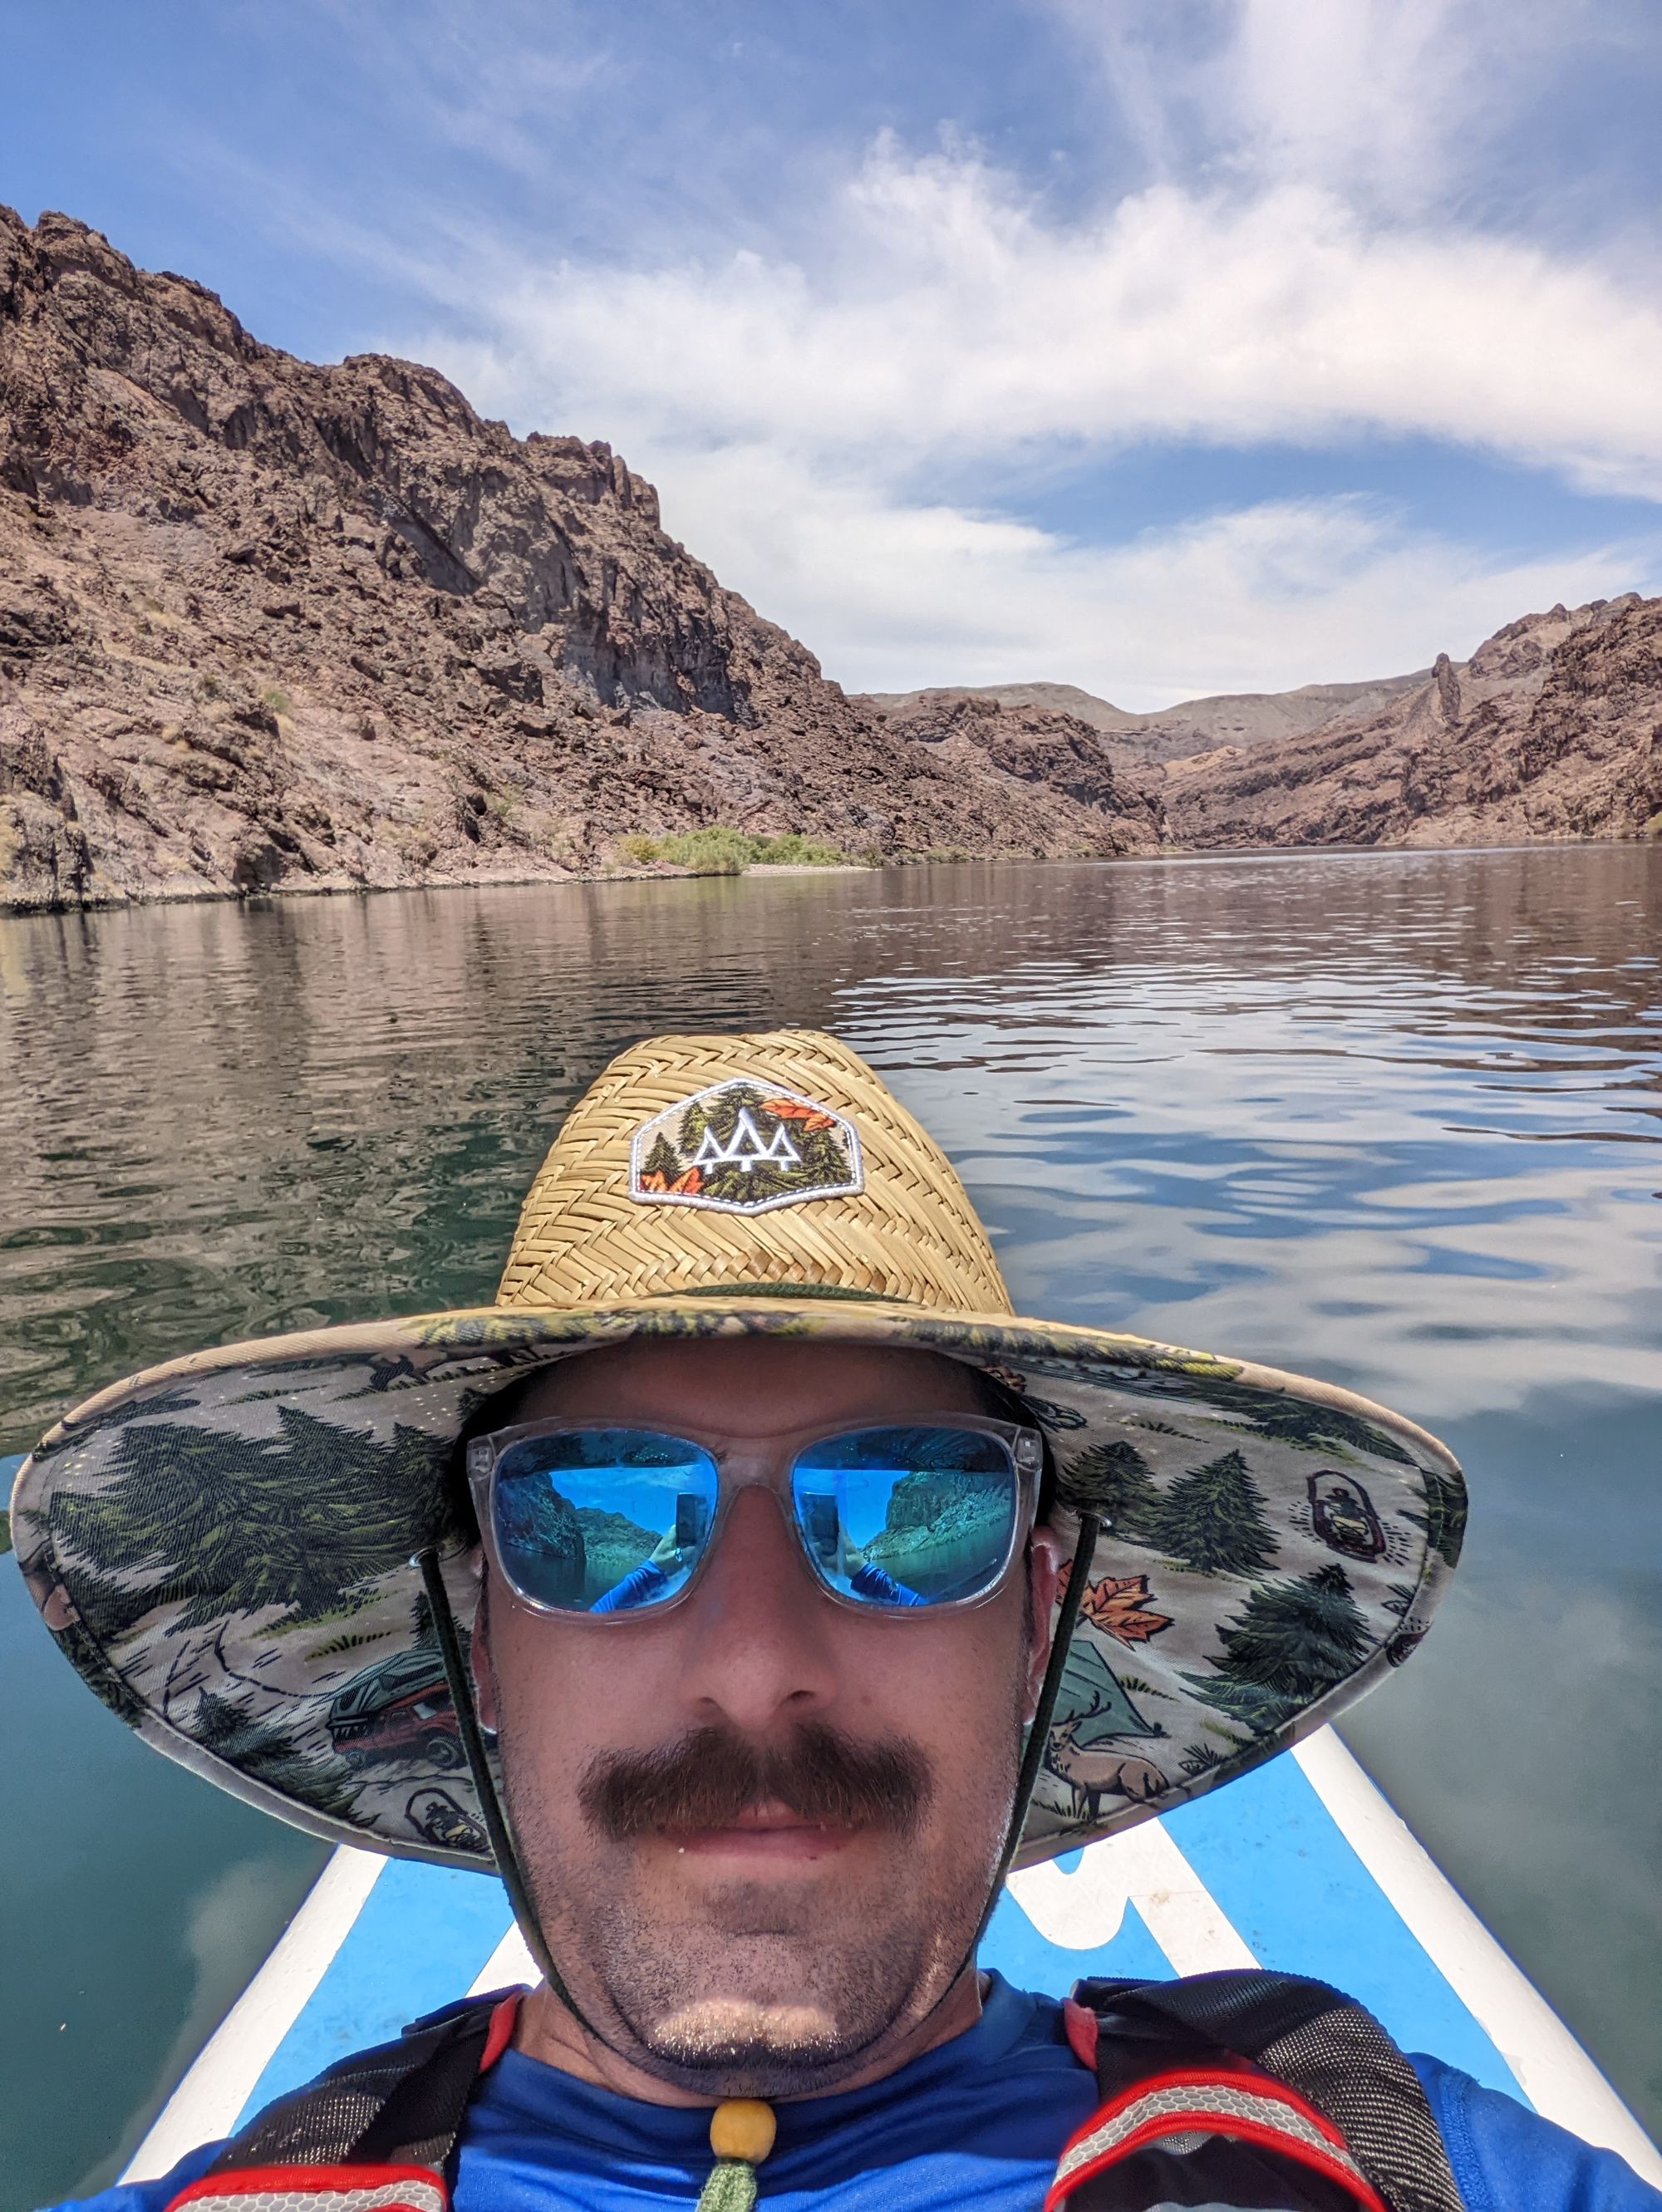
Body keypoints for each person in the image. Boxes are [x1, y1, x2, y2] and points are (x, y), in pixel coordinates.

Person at [15, 1030, 1659, 2211]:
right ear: (480, 1635)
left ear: (1038, 1624)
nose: (753, 1666)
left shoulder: (1393, 2157)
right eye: (595, 1520)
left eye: (912, 1510)